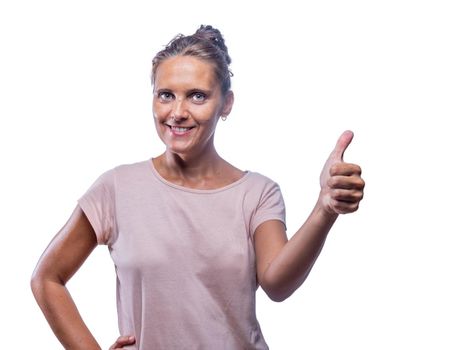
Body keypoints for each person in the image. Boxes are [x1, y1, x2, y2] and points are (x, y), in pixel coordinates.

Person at [30, 25, 365, 350]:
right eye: (165, 95)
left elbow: (277, 284)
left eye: (197, 96)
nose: (177, 112)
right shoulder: (117, 188)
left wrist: (325, 209)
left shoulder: (257, 193)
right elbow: (47, 278)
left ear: (227, 103)